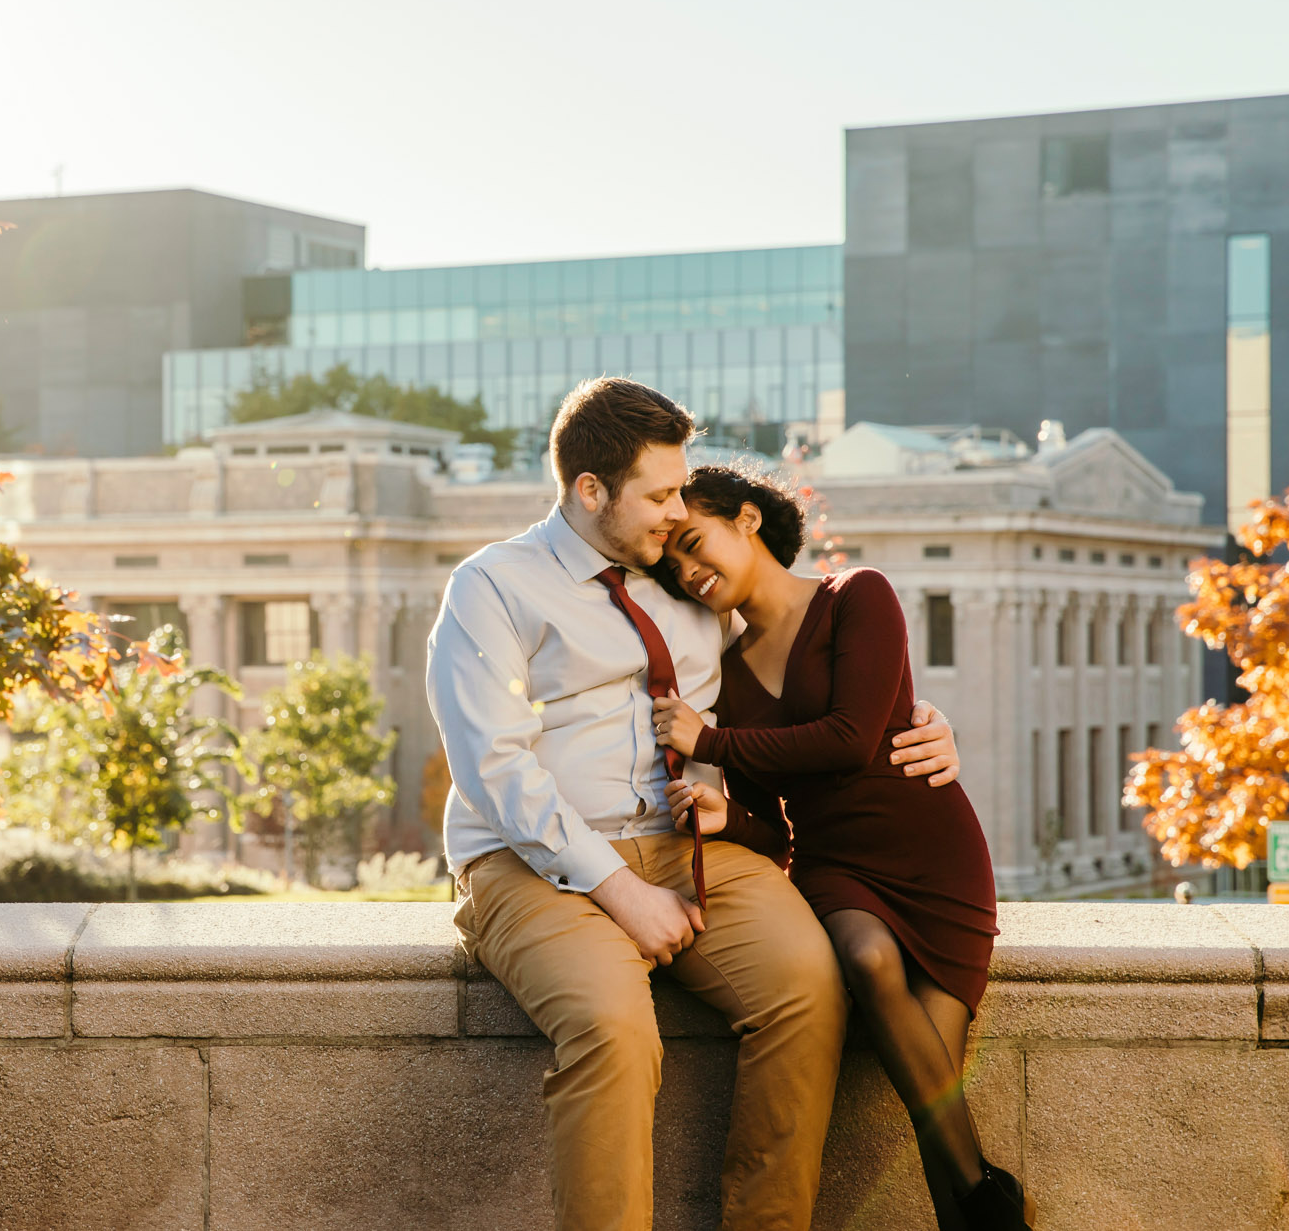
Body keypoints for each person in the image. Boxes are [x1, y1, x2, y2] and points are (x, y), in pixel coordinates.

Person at [426, 377, 960, 1231]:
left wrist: (922, 719)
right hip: (533, 861)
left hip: (692, 846)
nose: (678, 512)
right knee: (613, 1029)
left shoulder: (686, 586)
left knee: (810, 987)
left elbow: (807, 679)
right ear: (590, 490)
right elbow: (492, 763)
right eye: (661, 493)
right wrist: (620, 889)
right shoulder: (493, 585)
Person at [650, 461, 1031, 1231]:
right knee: (864, 956)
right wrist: (730, 819)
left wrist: (714, 742)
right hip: (835, 868)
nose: (690, 571)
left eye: (695, 544)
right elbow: (773, 827)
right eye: (675, 565)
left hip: (936, 856)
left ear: (747, 520)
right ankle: (995, 1199)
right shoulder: (723, 674)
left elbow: (853, 740)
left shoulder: (859, 594)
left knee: (934, 1100)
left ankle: (979, 1209)